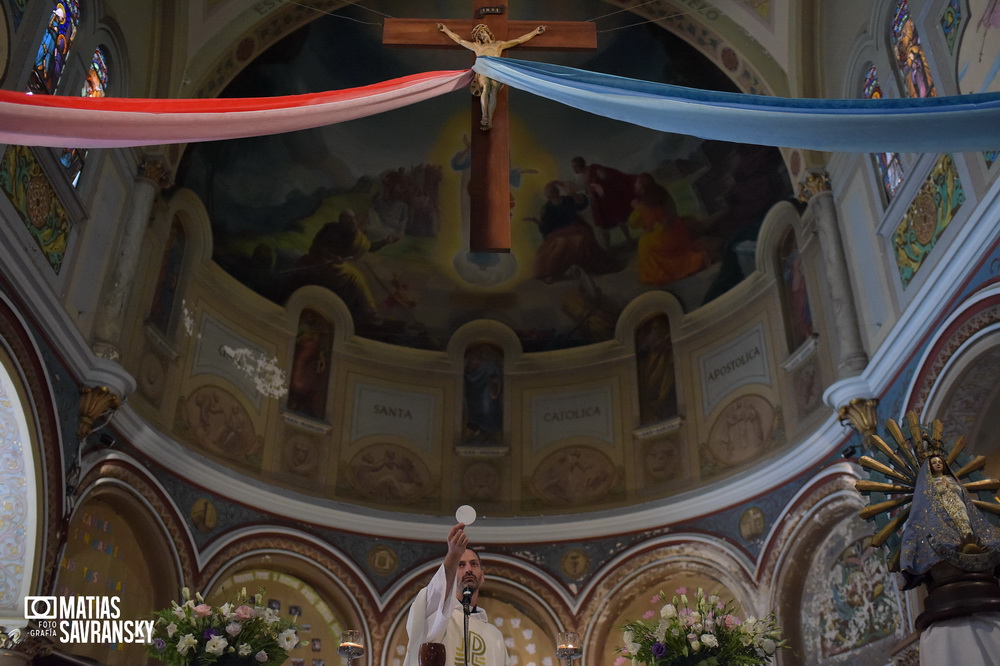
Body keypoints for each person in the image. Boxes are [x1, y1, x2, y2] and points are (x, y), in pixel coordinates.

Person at [405, 523, 511, 666]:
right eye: (460, 565)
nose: (468, 569)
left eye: (474, 564)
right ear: (452, 575)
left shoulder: (494, 636)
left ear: (483, 576)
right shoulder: (439, 617)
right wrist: (453, 556)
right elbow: (436, 596)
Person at [899, 452, 1000, 590]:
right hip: (942, 511)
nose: (938, 464)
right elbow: (926, 502)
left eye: (940, 462)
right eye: (934, 463)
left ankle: (967, 541)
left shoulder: (952, 480)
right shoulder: (929, 484)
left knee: (965, 525)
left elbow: (962, 495)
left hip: (959, 507)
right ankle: (953, 545)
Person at [438, 23, 546, 129]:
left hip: (496, 70)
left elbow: (518, 40)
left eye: (483, 32)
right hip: (483, 69)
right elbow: (460, 40)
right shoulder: (477, 46)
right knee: (486, 87)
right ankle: (484, 116)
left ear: (488, 33)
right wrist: (446, 30)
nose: (482, 35)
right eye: (480, 34)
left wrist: (535, 32)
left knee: (493, 90)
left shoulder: (498, 44)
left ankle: (489, 120)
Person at [525, 180, 617, 283]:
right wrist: (537, 221)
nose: (552, 192)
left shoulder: (568, 200)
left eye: (553, 189)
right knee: (561, 243)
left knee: (580, 240)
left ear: (557, 191)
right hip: (558, 233)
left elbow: (582, 204)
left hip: (576, 228)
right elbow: (547, 227)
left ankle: (580, 268)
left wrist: (573, 193)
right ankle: (551, 272)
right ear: (547, 195)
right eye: (549, 191)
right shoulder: (547, 208)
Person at [628, 173, 707, 285]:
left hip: (669, 234)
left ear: (642, 186)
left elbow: (636, 224)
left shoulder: (646, 204)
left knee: (644, 243)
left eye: (637, 182)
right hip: (679, 230)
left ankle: (659, 274)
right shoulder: (661, 192)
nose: (635, 184)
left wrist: (637, 208)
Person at [570, 156, 636, 249]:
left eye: (575, 167)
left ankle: (629, 240)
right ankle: (607, 247)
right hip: (597, 203)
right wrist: (590, 191)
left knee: (619, 219)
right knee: (603, 225)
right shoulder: (578, 177)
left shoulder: (595, 169)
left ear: (580, 165)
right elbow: (582, 189)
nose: (573, 169)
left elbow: (606, 178)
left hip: (608, 198)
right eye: (573, 167)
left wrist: (597, 185)